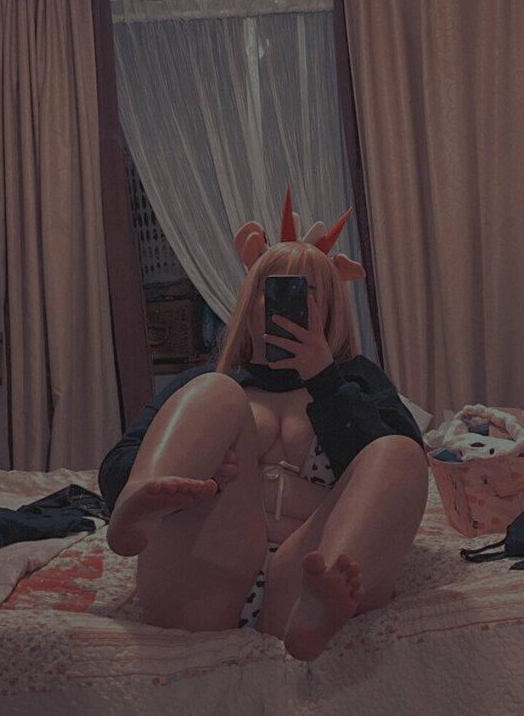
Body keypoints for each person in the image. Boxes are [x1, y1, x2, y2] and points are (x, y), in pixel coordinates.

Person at [99, 193, 429, 661]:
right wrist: (200, 475)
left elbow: (400, 484)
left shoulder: (356, 380)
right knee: (214, 391)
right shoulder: (208, 383)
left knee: (399, 451)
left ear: (329, 310)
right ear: (248, 303)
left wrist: (325, 380)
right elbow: (115, 463)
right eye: (272, 290)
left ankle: (319, 609)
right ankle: (137, 505)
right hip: (201, 575)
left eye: (307, 294)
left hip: (305, 579)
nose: (287, 307)